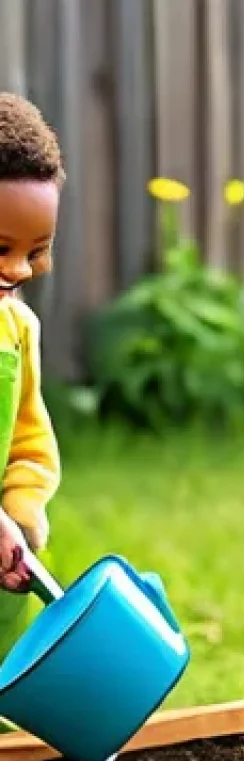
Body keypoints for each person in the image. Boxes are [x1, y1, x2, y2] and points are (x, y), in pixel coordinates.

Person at [0, 93, 63, 639]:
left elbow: (29, 438)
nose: (19, 269)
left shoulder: (17, 330)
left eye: (36, 249)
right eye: (0, 248)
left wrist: (20, 513)